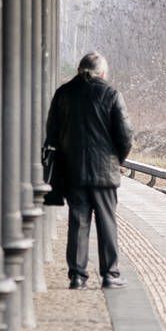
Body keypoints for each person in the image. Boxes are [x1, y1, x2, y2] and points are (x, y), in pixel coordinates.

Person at [45, 51, 134, 289]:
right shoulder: (111, 94)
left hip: (73, 171)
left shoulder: (63, 94)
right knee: (107, 222)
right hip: (104, 172)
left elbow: (51, 131)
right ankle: (110, 275)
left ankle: (77, 275)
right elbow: (125, 136)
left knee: (78, 221)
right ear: (102, 72)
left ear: (79, 70)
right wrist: (117, 159)